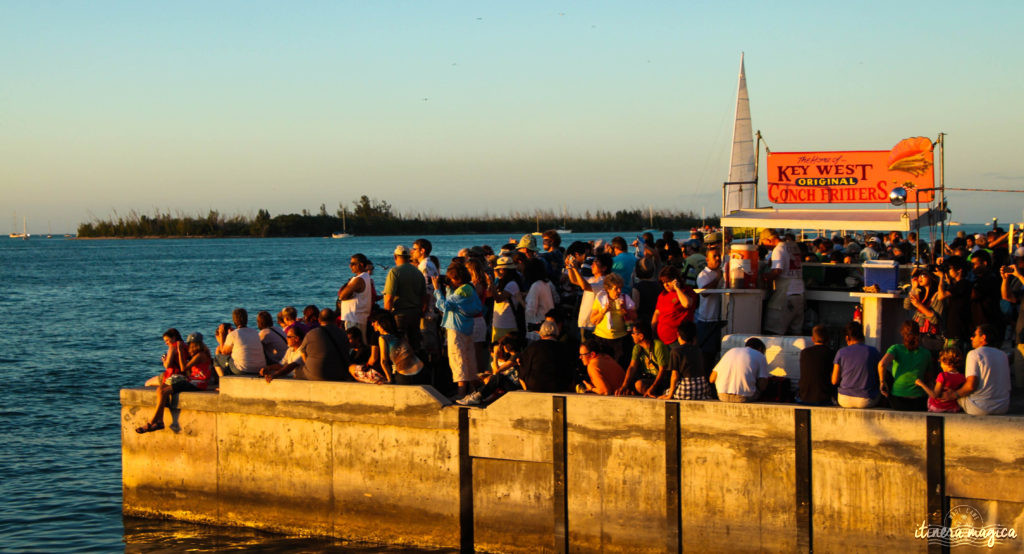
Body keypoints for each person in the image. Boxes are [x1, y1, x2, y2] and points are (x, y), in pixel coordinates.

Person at [137, 332, 214, 434]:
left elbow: (183, 368)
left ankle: (152, 421)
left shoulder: (200, 355)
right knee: (160, 389)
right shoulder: (200, 355)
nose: (189, 348)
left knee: (164, 392)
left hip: (196, 383)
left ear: (194, 344)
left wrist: (180, 351)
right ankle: (159, 421)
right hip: (191, 381)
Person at [434, 263, 484, 398]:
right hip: (465, 327)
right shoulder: (469, 288)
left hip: (456, 329)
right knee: (469, 358)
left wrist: (437, 290)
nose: (450, 280)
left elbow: (445, 305)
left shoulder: (463, 291)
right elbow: (453, 303)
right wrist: (449, 289)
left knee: (458, 359)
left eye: (452, 278)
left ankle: (461, 392)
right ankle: (473, 390)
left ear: (458, 278)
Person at [947, 324, 1011, 415]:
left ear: (983, 338)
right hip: (1003, 406)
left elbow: (971, 385)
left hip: (980, 407)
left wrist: (953, 395)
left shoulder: (974, 354)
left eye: (974, 335)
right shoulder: (1003, 355)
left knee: (951, 395)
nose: (971, 338)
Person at [878, 320, 931, 411]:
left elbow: (882, 364)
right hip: (919, 401)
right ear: (918, 334)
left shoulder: (896, 349)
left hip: (898, 401)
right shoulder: (926, 353)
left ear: (902, 334)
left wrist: (882, 382)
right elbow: (929, 378)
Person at [457, 334, 525, 406]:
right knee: (489, 378)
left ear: (509, 345)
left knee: (499, 377)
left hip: (516, 386)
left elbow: (496, 371)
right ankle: (475, 395)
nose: (503, 347)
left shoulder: (516, 356)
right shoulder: (515, 355)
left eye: (504, 345)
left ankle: (477, 397)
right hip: (513, 384)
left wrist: (495, 354)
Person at [760, 228, 805, 335]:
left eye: (764, 243)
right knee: (796, 332)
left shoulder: (778, 250)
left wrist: (764, 277)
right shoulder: (793, 246)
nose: (764, 246)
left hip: (786, 294)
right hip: (800, 293)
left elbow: (777, 271)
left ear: (769, 240)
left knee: (775, 331)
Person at [384, 245, 428, 352]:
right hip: (415, 314)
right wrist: (421, 312)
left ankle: (401, 368)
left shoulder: (394, 272)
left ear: (395, 257)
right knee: (414, 345)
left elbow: (389, 298)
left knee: (399, 346)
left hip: (400, 315)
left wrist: (385, 317)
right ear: (409, 257)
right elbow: (424, 297)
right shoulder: (418, 272)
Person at [589, 272, 637, 369]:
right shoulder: (601, 298)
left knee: (620, 366)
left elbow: (635, 316)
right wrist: (603, 312)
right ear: (608, 289)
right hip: (602, 338)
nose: (619, 291)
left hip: (621, 338)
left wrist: (625, 310)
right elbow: (593, 320)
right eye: (616, 289)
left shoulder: (625, 298)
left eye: (620, 288)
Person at [832, 322, 881, 408]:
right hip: (866, 400)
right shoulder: (873, 351)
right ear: (862, 336)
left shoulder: (841, 352)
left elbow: (834, 380)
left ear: (847, 338)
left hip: (844, 399)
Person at [369, 312, 426, 385]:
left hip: (405, 375)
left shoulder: (383, 338)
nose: (372, 324)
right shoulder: (401, 335)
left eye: (374, 322)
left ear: (380, 324)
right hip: (420, 370)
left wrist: (389, 379)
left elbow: (383, 361)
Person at [518, 321, 575, 393]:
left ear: (541, 333)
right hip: (559, 386)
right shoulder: (564, 347)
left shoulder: (532, 347)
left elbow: (523, 371)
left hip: (535, 386)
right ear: (557, 332)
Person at [566, 252, 611, 341]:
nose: (593, 264)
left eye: (596, 263)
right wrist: (569, 267)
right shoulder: (592, 279)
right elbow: (574, 280)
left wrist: (575, 268)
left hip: (592, 324)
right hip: (585, 323)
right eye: (593, 262)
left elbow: (584, 286)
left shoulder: (604, 282)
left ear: (604, 268)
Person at [709, 337, 770, 402]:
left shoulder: (731, 351)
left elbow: (711, 379)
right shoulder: (760, 355)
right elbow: (762, 386)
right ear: (760, 349)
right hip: (744, 398)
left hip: (722, 396)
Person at [662, 321, 711, 400]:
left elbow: (674, 375)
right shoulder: (699, 350)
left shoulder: (676, 351)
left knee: (665, 392)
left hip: (687, 388)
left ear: (678, 334)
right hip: (702, 388)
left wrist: (670, 395)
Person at [619, 322, 670, 397]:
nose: (631, 335)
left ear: (641, 336)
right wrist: (624, 386)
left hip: (661, 381)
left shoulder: (658, 346)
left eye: (633, 333)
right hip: (648, 378)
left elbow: (663, 370)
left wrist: (652, 387)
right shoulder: (637, 347)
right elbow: (632, 367)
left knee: (639, 385)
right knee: (629, 391)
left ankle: (657, 394)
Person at [411, 238, 442, 361]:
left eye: (415, 249)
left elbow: (426, 291)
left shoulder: (425, 266)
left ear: (422, 250)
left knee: (428, 342)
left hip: (428, 311)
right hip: (431, 309)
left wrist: (422, 310)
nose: (412, 252)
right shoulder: (429, 264)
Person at [651, 266, 697, 347]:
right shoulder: (663, 295)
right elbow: (657, 313)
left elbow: (687, 304)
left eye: (668, 281)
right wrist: (652, 328)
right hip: (662, 339)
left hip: (678, 339)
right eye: (663, 282)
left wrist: (677, 289)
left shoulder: (686, 291)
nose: (666, 285)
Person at [695, 246, 724, 371]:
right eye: (714, 256)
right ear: (707, 259)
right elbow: (704, 292)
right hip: (706, 320)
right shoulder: (703, 275)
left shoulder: (722, 272)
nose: (718, 259)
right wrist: (717, 279)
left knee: (716, 354)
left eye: (719, 256)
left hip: (718, 319)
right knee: (706, 354)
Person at [999, 247, 1024, 390]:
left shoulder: (1021, 278)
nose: (1016, 262)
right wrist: (1005, 280)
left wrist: (1019, 276)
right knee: (1020, 383)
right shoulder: (1019, 280)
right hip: (1021, 338)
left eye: (1019, 259)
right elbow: (1007, 297)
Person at [214, 308, 265, 376]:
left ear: (234, 320)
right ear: (246, 319)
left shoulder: (233, 334)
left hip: (242, 369)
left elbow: (224, 352)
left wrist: (222, 335)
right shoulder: (255, 332)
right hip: (259, 368)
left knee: (217, 358)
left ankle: (222, 381)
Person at [904, 267, 943, 352]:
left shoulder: (937, 295)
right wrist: (913, 288)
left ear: (931, 277)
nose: (919, 278)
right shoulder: (921, 294)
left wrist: (919, 305)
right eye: (918, 276)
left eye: (923, 275)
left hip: (931, 336)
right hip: (918, 334)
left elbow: (935, 319)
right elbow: (907, 305)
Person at [969, 251, 1004, 347]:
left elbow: (973, 295)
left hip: (988, 324)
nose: (973, 267)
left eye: (975, 264)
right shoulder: (978, 279)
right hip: (981, 323)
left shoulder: (990, 279)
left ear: (984, 263)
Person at [916, 348, 966, 413]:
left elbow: (934, 395)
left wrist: (921, 384)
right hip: (953, 408)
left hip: (938, 407)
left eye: (941, 363)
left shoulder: (943, 375)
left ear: (946, 362)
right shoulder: (962, 377)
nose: (941, 365)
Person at [338, 253, 374, 343]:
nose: (350, 266)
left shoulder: (359, 279)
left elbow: (342, 296)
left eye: (353, 264)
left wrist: (347, 289)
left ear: (361, 264)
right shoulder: (365, 277)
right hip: (357, 318)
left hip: (354, 319)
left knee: (354, 345)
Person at [798, 325, 835, 406]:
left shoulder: (804, 353)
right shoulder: (831, 353)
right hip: (823, 397)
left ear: (813, 339)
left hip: (805, 396)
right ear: (828, 339)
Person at [489, 256, 523, 343]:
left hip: (507, 323)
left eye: (500, 270)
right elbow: (489, 294)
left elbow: (498, 299)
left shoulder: (512, 284)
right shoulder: (501, 283)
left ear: (505, 270)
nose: (498, 272)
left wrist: (491, 282)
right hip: (499, 322)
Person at [523, 258, 556, 333]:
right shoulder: (547, 283)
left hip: (537, 327)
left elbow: (530, 311)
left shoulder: (535, 286)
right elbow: (557, 299)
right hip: (548, 323)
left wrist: (520, 300)